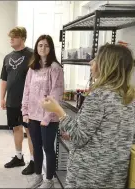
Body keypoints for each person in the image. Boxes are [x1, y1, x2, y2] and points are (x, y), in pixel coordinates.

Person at [41, 44, 135, 188]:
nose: (91, 62)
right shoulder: (129, 97)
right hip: (114, 174)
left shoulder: (99, 96)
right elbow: (108, 133)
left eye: (96, 59)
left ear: (107, 65)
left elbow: (79, 137)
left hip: (89, 175)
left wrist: (58, 110)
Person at [21, 35, 64, 188]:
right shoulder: (33, 67)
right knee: (36, 147)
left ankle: (49, 180)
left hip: (48, 118)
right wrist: (25, 112)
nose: (42, 48)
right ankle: (38, 176)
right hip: (33, 115)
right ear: (36, 48)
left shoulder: (55, 68)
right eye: (40, 45)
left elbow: (56, 94)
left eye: (46, 45)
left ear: (51, 48)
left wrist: (47, 117)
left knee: (48, 148)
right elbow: (26, 90)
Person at [0, 26, 35, 175]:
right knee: (16, 128)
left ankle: (34, 161)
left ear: (22, 38)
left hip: (29, 101)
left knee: (30, 130)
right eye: (10, 37)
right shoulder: (7, 57)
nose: (11, 39)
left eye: (14, 36)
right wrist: (2, 97)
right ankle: (19, 157)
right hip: (12, 101)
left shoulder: (32, 55)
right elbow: (4, 79)